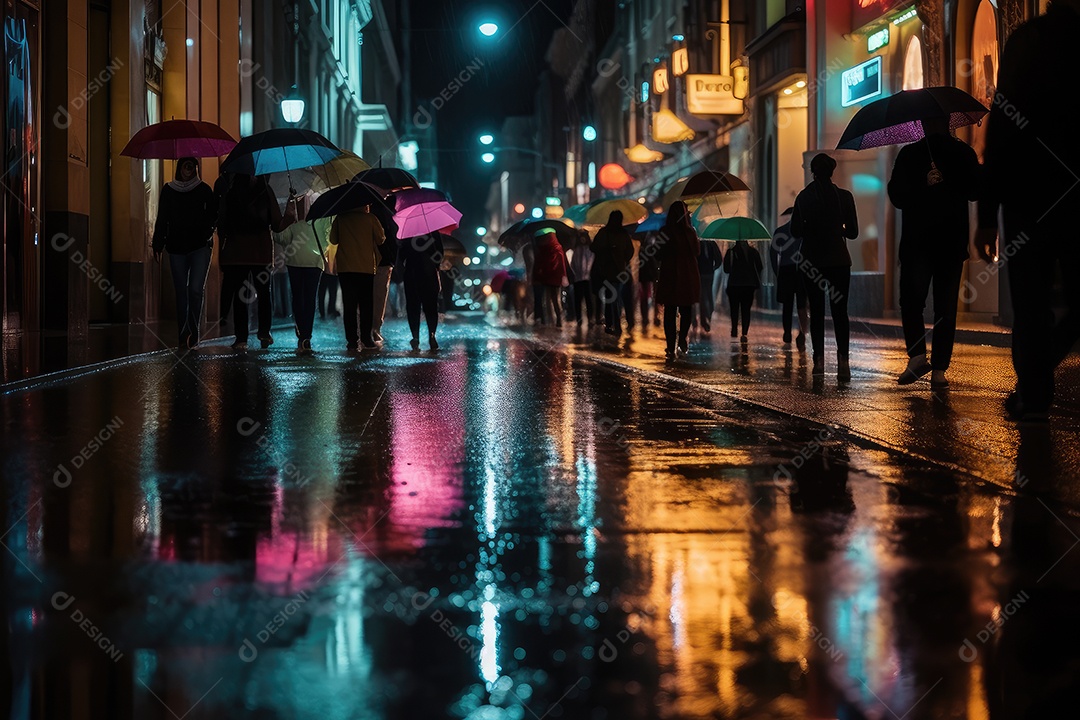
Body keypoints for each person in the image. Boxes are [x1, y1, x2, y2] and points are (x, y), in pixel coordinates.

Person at [975, 0, 1080, 421]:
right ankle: (1040, 372)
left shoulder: (1025, 41)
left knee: (1030, 302)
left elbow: (1000, 131)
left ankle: (1034, 390)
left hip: (1025, 199)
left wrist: (986, 217)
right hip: (1072, 197)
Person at [888, 115, 980, 389]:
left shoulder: (910, 153)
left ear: (924, 125)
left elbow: (897, 197)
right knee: (945, 307)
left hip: (918, 242)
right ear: (950, 122)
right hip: (951, 242)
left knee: (912, 302)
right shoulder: (964, 152)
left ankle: (918, 356)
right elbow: (976, 191)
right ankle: (939, 369)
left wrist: (925, 184)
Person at [791, 153, 859, 380]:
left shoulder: (803, 197)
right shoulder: (845, 197)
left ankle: (818, 360)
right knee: (840, 312)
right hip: (839, 260)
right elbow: (853, 232)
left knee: (816, 311)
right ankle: (843, 362)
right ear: (832, 171)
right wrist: (836, 229)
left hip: (811, 261)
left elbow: (795, 231)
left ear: (812, 171)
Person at [151, 157, 217, 349]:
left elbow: (213, 214)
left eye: (191, 167)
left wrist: (206, 232)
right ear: (179, 168)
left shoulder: (204, 190)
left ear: (196, 169)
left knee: (195, 290)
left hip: (199, 247)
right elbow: (162, 217)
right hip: (176, 247)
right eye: (185, 167)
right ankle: (183, 335)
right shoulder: (169, 190)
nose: (188, 171)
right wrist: (158, 243)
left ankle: (193, 332)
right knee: (181, 292)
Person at [217, 173, 288, 349]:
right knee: (264, 293)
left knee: (240, 296)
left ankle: (241, 338)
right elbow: (277, 224)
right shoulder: (265, 190)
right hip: (260, 252)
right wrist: (290, 216)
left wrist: (223, 251)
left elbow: (222, 223)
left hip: (236, 252)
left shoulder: (232, 191)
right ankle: (264, 332)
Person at [273, 195, 330, 351]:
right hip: (315, 262)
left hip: (295, 263)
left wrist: (285, 219)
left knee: (298, 296)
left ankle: (300, 328)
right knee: (310, 298)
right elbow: (329, 238)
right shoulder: (322, 222)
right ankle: (307, 335)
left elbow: (280, 238)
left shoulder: (295, 225)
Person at [329, 204, 385, 350]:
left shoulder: (340, 219)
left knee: (349, 306)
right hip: (366, 268)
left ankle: (352, 340)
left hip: (346, 268)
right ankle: (366, 338)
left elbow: (333, 240)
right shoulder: (371, 219)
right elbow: (381, 239)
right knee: (366, 305)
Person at [656, 201, 701, 358]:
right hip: (687, 274)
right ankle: (682, 338)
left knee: (670, 311)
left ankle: (670, 346)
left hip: (670, 274)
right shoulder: (690, 232)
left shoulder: (665, 232)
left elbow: (657, 254)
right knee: (686, 309)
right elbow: (697, 251)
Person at [770, 207, 808, 350]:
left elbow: (773, 254)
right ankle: (802, 333)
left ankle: (787, 332)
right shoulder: (805, 231)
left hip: (786, 270)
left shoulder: (780, 231)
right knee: (802, 304)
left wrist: (777, 272)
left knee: (787, 304)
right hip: (802, 270)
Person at [591, 210, 635, 336]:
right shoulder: (624, 234)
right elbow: (630, 252)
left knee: (609, 298)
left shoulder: (603, 233)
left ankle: (611, 323)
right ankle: (616, 323)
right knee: (616, 297)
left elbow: (593, 247)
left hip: (605, 271)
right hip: (620, 271)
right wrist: (622, 259)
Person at [399, 231, 444, 350]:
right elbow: (439, 254)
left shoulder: (408, 234)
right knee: (431, 307)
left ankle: (415, 337)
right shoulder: (433, 232)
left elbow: (401, 255)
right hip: (429, 274)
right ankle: (432, 335)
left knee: (413, 307)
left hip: (412, 274)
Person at [723, 239, 763, 341]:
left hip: (734, 285)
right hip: (749, 285)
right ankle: (744, 332)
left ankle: (734, 329)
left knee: (734, 309)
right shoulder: (753, 252)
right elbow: (760, 267)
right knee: (746, 310)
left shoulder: (731, 252)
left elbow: (726, 269)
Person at [370, 201, 398, 343]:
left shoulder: (367, 210)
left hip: (366, 260)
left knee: (366, 296)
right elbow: (391, 237)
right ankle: (375, 329)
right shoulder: (388, 212)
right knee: (379, 296)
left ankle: (366, 328)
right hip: (383, 260)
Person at [532, 227, 568, 327]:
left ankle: (557, 319)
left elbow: (556, 264)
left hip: (551, 278)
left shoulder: (551, 249)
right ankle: (552, 319)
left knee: (553, 299)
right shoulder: (554, 248)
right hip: (552, 278)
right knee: (551, 299)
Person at [696, 237, 723, 332]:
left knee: (707, 296)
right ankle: (704, 320)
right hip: (700, 274)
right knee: (703, 297)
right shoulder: (698, 243)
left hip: (708, 274)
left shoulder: (711, 244)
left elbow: (719, 259)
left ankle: (708, 316)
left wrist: (713, 268)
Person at [569, 231, 595, 327]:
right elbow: (573, 263)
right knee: (579, 300)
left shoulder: (589, 249)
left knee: (588, 300)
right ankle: (580, 319)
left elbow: (591, 262)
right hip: (579, 279)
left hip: (587, 278)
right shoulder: (577, 249)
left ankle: (589, 318)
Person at [638, 231, 661, 328]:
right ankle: (648, 317)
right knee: (648, 296)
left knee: (652, 295)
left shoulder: (645, 239)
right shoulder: (656, 239)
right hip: (649, 272)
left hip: (649, 272)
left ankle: (651, 316)